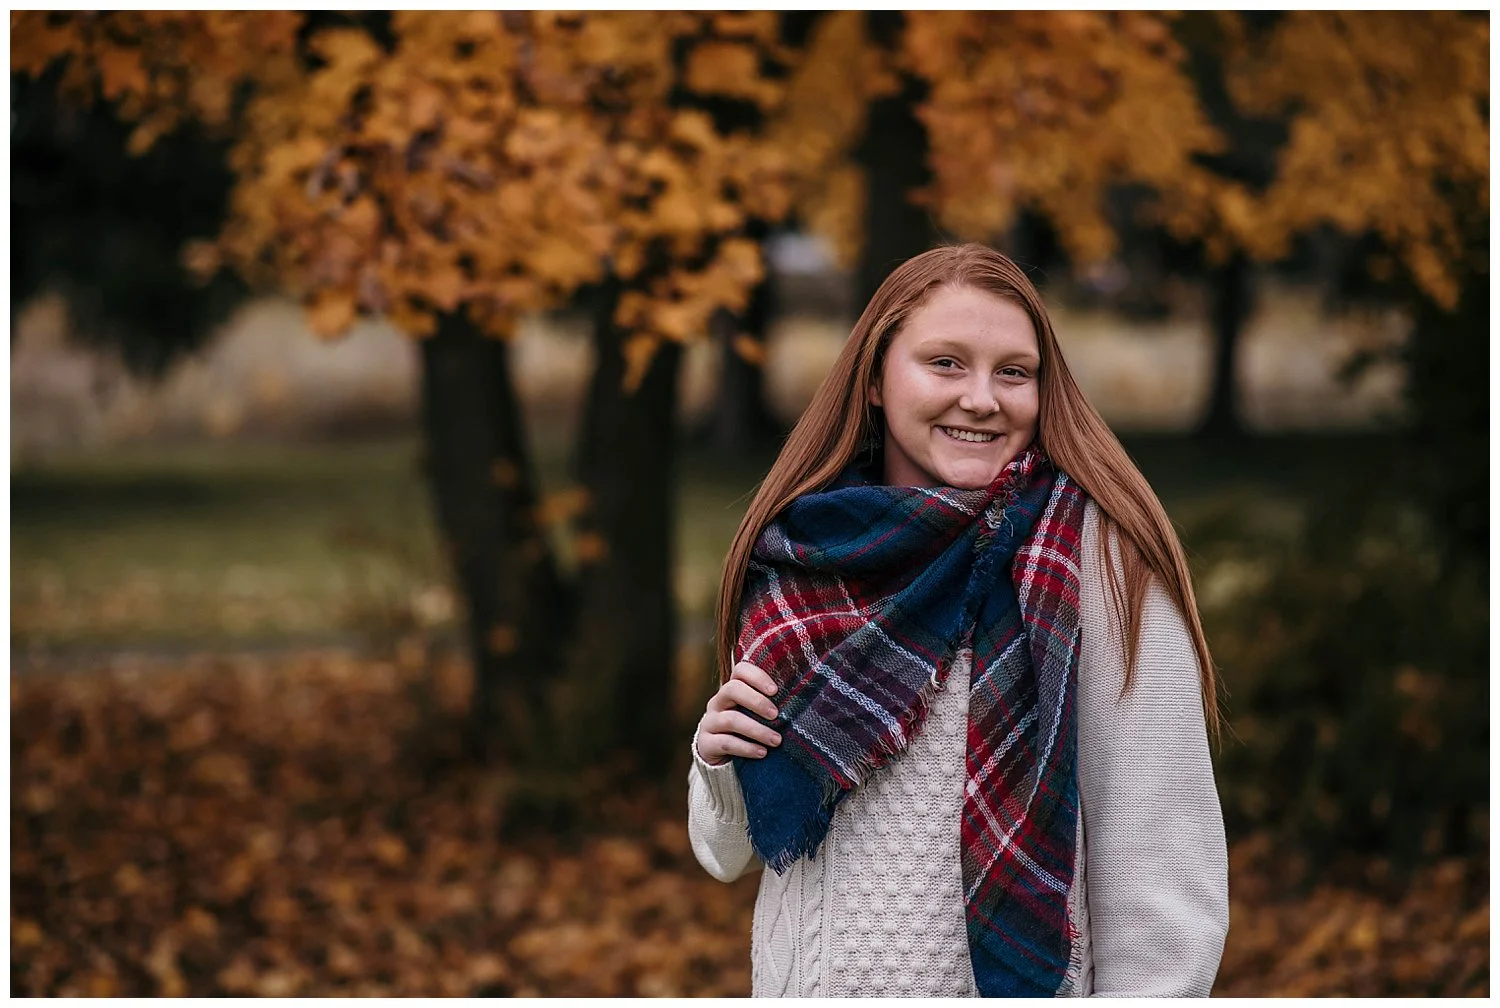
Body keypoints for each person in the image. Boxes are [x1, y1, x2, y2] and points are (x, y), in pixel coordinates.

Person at [686, 243, 1229, 997]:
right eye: (945, 363)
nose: (981, 398)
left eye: (1013, 371)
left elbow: (1167, 896)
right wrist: (717, 761)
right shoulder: (805, 557)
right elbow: (731, 850)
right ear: (875, 379)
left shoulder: (1099, 565)